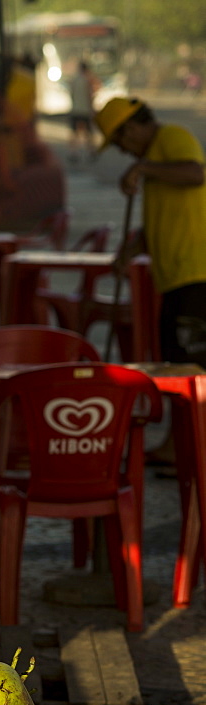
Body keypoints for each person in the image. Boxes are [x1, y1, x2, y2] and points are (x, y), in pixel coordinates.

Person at [96, 96, 206, 468]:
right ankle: (179, 445)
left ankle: (195, 450)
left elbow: (196, 173)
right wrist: (131, 249)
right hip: (174, 276)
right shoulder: (155, 161)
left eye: (119, 143)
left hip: (196, 273)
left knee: (192, 368)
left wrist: (144, 168)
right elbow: (165, 216)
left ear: (130, 128)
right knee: (177, 364)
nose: (123, 153)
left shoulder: (171, 138)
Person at [68, 60, 98, 160]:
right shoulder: (88, 80)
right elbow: (90, 95)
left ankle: (73, 152)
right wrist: (92, 108)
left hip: (75, 109)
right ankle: (92, 151)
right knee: (88, 133)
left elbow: (71, 94)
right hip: (85, 110)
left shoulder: (74, 80)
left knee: (75, 133)